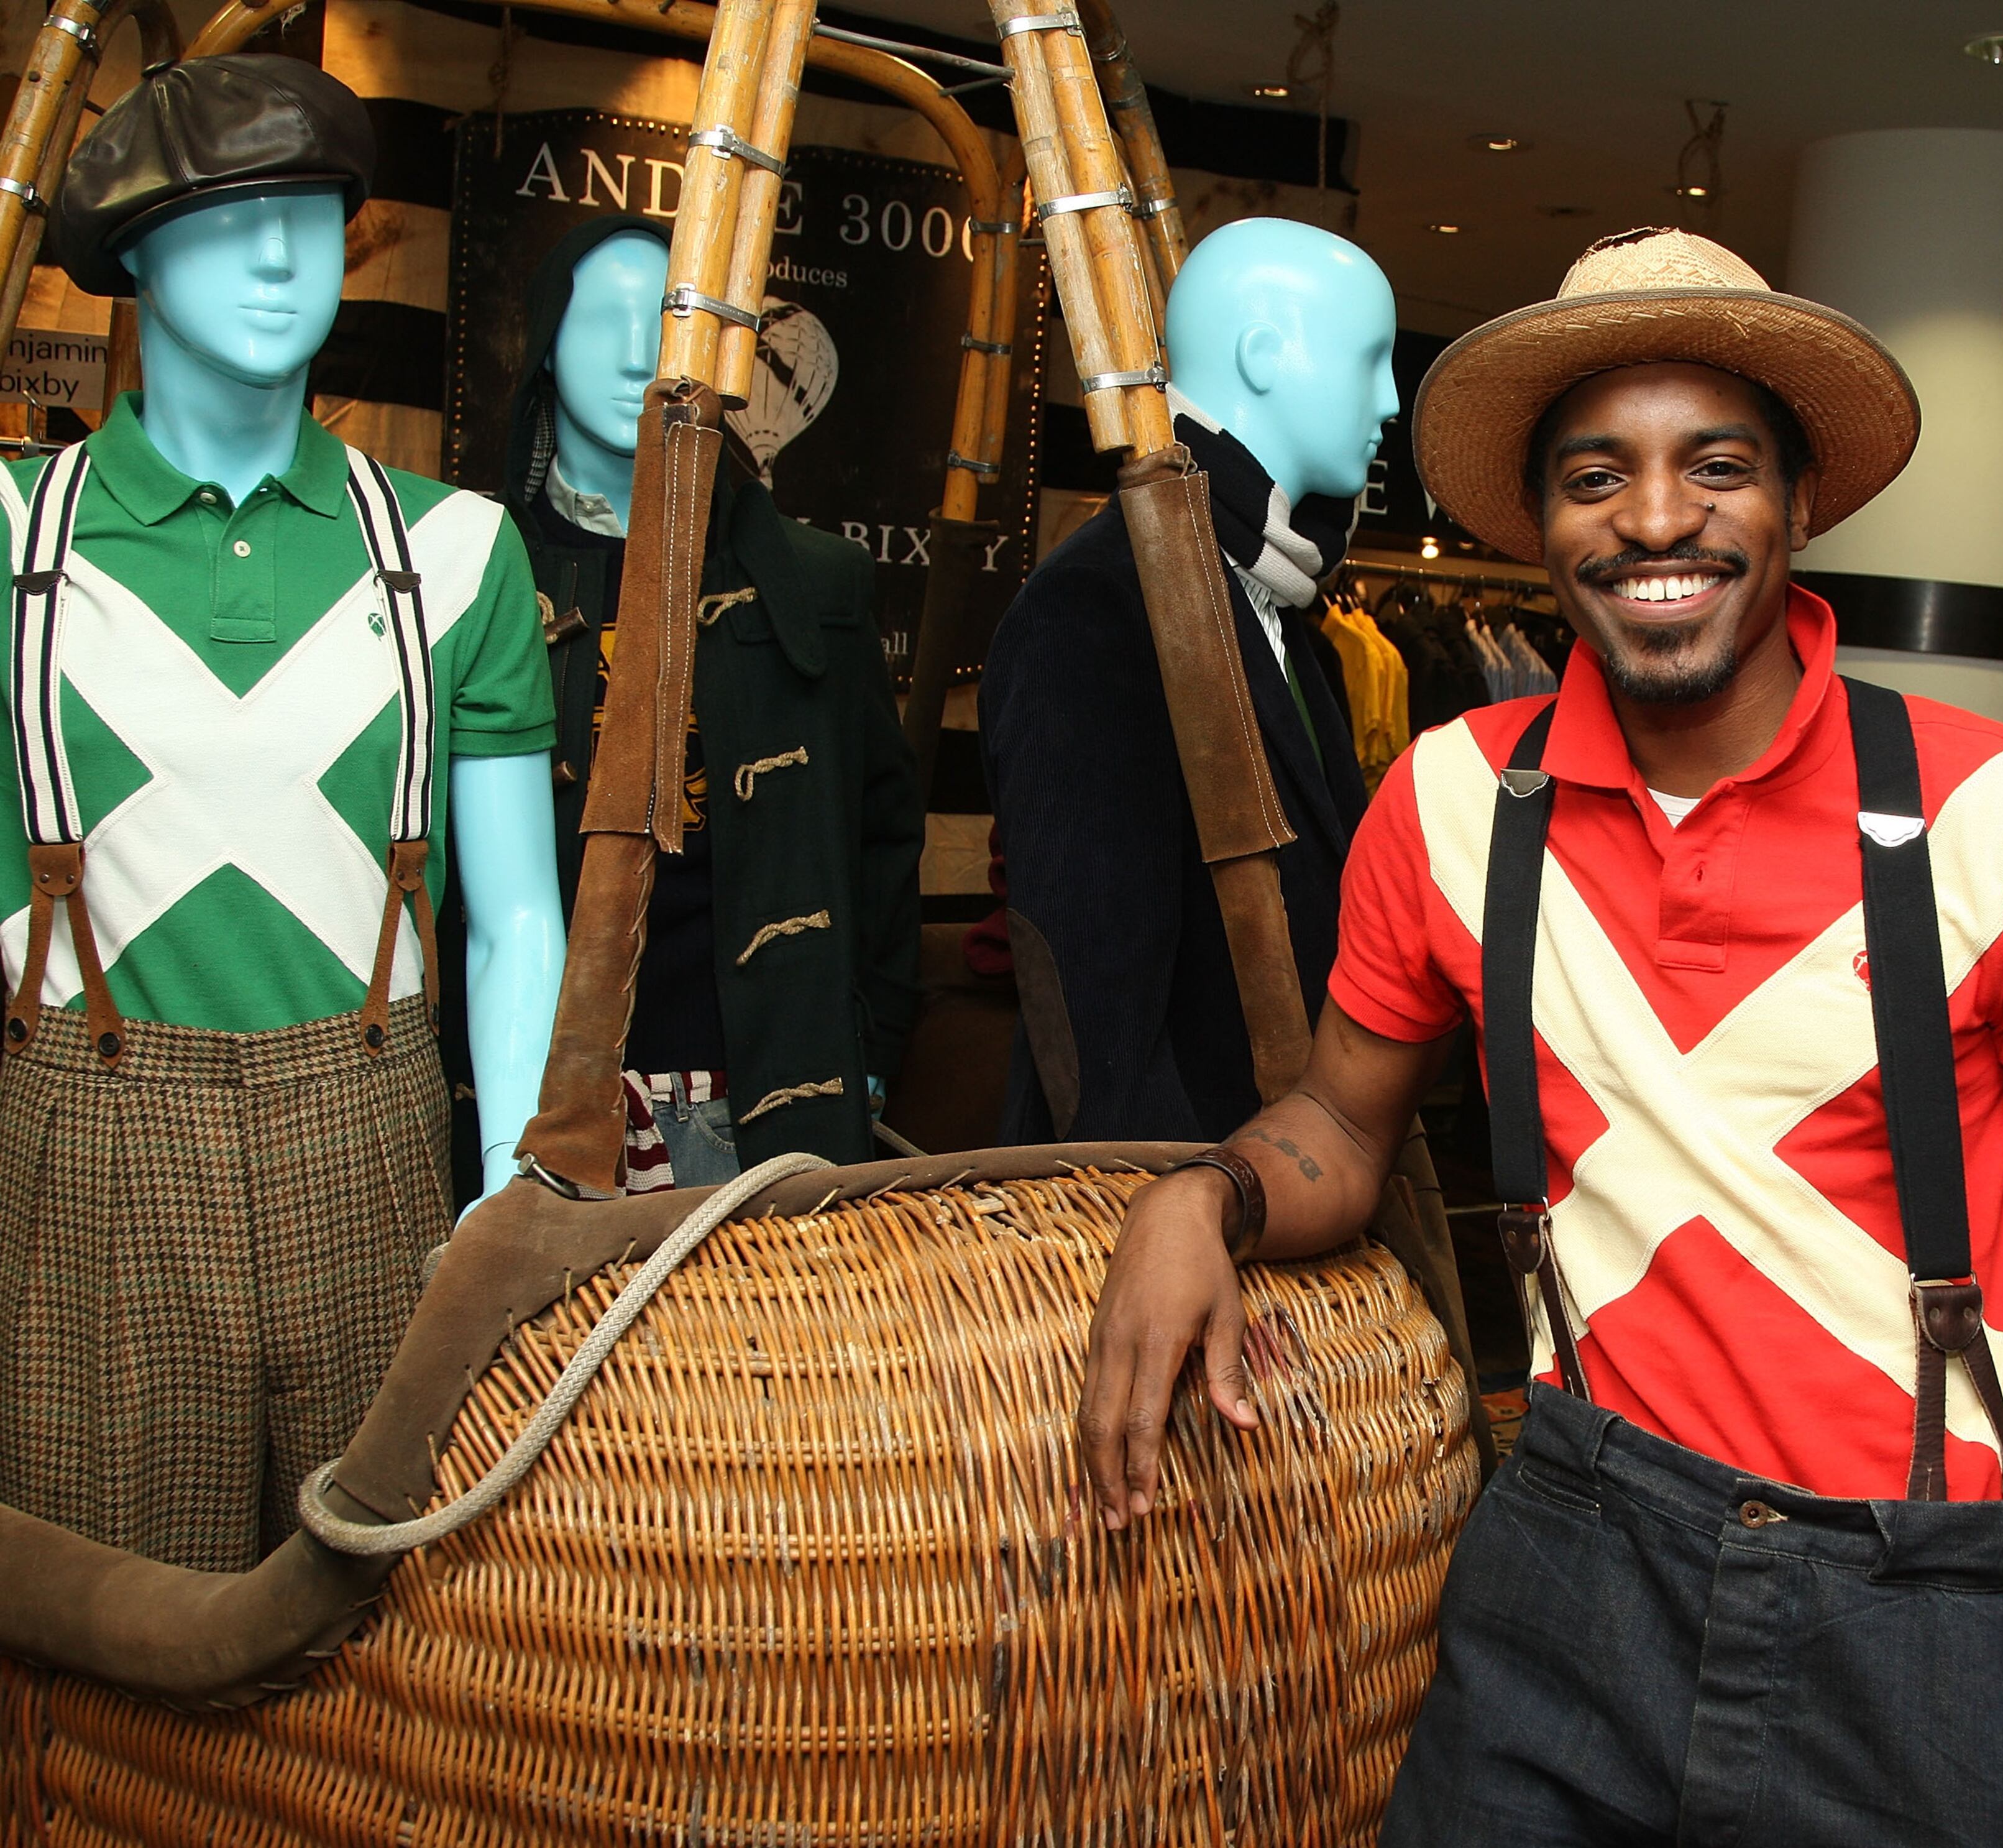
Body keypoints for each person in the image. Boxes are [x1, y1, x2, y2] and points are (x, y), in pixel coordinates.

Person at [1076, 229, 2003, 1847]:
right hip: (1573, 1563)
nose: (1657, 516)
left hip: (1914, 1591)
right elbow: (1343, 1124)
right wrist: (1201, 1195)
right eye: (1600, 474)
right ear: (1543, 527)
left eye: (1714, 464)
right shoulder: (1451, 801)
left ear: (1799, 503)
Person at [0, 58, 564, 1571]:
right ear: (130, 253)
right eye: (224, 215)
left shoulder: (458, 554)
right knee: (98, 1658)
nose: (278, 256)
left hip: (377, 1146)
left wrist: (514, 1195)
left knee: (381, 1636)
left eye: (312, 213)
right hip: (86, 1160)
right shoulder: (8, 542)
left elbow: (516, 917)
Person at [503, 216, 922, 1180]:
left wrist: (871, 1049)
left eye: (665, 318)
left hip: (769, 1087)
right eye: (595, 317)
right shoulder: (482, 577)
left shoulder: (817, 586)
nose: (635, 352)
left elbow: (881, 836)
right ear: (543, 345)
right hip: (541, 1094)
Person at [980, 218, 1391, 1143]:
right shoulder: (1097, 612)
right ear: (1263, 355)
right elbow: (1094, 1021)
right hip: (1174, 1226)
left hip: (1288, 1200)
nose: (1391, 401)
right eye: (1371, 361)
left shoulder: (1288, 618)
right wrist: (1192, 1222)